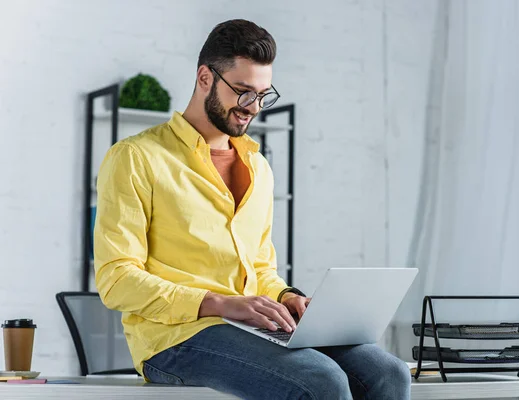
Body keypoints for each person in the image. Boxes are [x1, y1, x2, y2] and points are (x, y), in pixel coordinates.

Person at [94, 19, 411, 400]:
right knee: (320, 380)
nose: (253, 108)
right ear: (205, 78)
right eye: (243, 92)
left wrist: (287, 299)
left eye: (262, 95)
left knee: (388, 372)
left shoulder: (258, 166)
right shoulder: (136, 157)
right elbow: (116, 280)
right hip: (174, 339)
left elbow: (260, 269)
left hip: (251, 328)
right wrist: (220, 304)